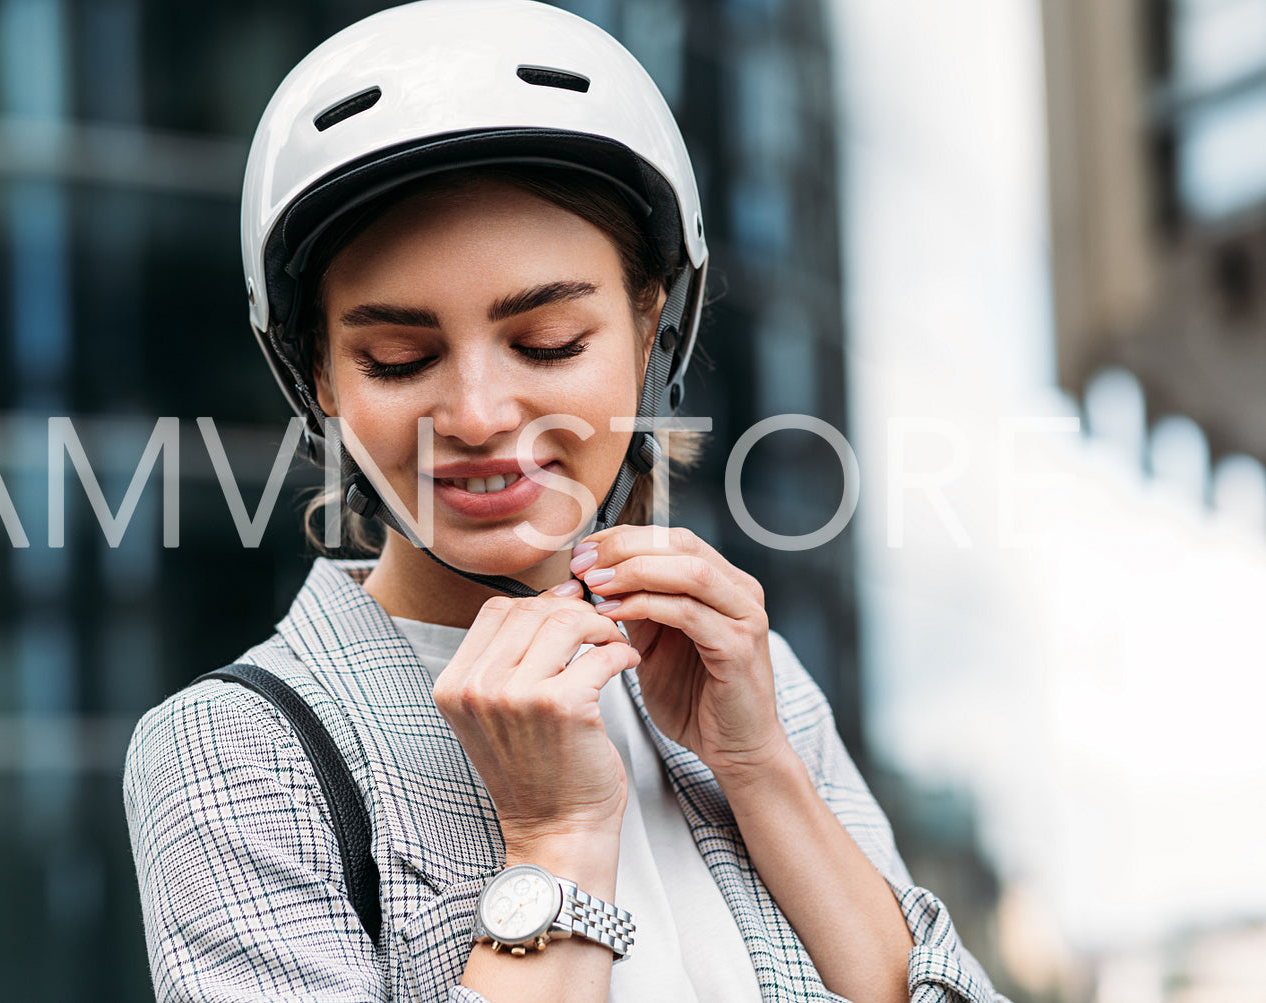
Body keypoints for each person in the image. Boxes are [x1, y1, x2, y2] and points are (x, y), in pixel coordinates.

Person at [123, 2, 1010, 1001]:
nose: (476, 413)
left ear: (649, 333)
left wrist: (758, 767)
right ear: (320, 380)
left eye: (548, 343)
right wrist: (556, 844)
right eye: (398, 359)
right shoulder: (238, 754)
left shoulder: (743, 677)